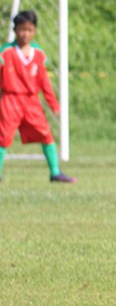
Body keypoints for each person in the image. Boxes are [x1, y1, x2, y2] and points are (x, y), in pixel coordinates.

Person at [0, 11, 76, 184]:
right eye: (22, 30)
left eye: (29, 30)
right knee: (3, 137)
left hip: (31, 102)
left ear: (34, 30)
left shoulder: (39, 54)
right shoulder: (5, 53)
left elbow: (44, 82)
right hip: (10, 100)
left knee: (46, 134)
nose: (25, 34)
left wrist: (53, 103)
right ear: (15, 30)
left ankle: (55, 172)